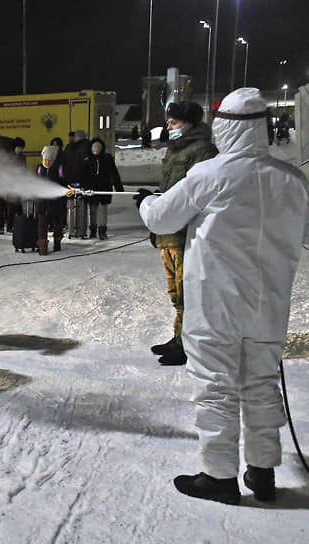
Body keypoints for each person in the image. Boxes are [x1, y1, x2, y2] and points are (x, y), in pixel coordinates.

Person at [135, 87, 309, 505]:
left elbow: (162, 216)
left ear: (227, 128)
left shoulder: (211, 174)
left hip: (216, 303)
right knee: (261, 385)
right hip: (269, 306)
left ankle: (219, 476)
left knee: (215, 386)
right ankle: (263, 471)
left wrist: (148, 202)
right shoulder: (294, 180)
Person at [149, 101, 218, 366]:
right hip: (169, 233)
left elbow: (193, 197)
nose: (169, 127)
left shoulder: (203, 151)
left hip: (186, 235)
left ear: (189, 123)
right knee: (176, 293)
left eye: (174, 122)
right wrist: (156, 217)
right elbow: (169, 191)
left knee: (188, 291)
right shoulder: (174, 150)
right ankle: (179, 337)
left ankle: (188, 345)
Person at [84, 139, 124, 240]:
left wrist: (118, 187)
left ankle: (102, 231)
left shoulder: (107, 159)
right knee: (92, 210)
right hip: (91, 189)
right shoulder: (87, 160)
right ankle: (93, 230)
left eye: (98, 149)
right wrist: (83, 187)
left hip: (104, 188)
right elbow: (83, 175)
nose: (96, 151)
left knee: (102, 210)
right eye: (94, 149)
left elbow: (114, 173)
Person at [34, 145, 65, 254]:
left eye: (50, 160)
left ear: (54, 160)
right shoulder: (39, 168)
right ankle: (43, 247)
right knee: (42, 225)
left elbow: (64, 182)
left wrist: (68, 197)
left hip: (56, 201)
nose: (47, 162)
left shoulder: (59, 168)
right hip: (42, 202)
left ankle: (57, 242)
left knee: (58, 224)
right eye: (45, 160)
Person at [63, 129, 91, 238]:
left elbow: (65, 165)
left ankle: (71, 230)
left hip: (70, 180)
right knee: (82, 206)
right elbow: (88, 166)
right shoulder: (88, 147)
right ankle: (81, 231)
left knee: (70, 205)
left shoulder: (69, 147)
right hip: (83, 180)